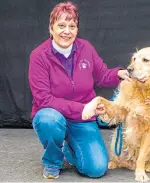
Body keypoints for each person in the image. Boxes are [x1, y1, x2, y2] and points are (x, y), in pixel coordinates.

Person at [28, 1, 130, 179]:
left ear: (77, 29)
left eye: (72, 26)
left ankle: (69, 147)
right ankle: (52, 160)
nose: (66, 31)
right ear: (51, 28)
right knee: (48, 120)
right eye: (61, 25)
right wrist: (83, 108)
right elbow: (44, 99)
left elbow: (103, 75)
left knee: (97, 168)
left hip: (82, 120)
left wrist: (119, 74)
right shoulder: (38, 56)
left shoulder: (86, 48)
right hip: (54, 115)